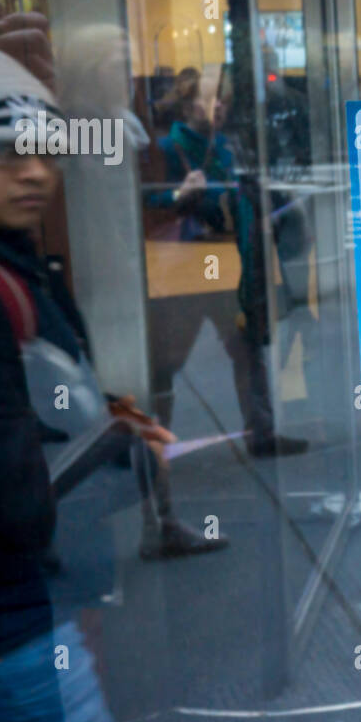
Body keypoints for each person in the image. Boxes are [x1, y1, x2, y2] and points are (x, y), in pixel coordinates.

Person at [0, 43, 218, 722]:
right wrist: (120, 448)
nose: (34, 172)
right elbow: (13, 500)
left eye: (45, 150)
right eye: (2, 151)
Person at [145, 67, 307, 458]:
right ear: (187, 103)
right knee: (169, 361)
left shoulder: (227, 147)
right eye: (209, 97)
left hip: (230, 263)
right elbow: (143, 205)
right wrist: (175, 197)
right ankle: (150, 444)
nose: (218, 105)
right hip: (186, 269)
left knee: (248, 349)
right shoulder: (167, 148)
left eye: (223, 99)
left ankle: (262, 432)